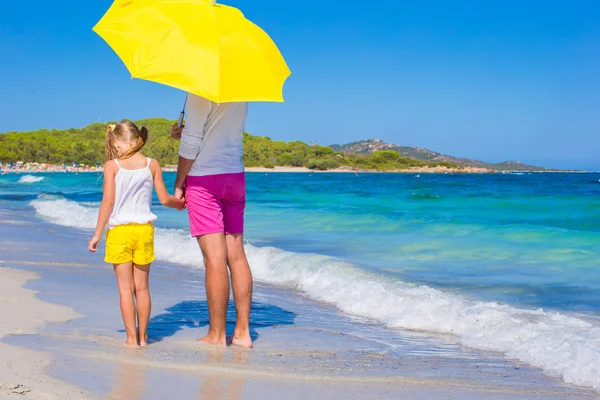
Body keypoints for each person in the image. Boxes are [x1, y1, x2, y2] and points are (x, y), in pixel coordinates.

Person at [88, 120, 185, 347]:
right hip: (144, 232)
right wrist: (179, 203)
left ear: (120, 141)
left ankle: (131, 339)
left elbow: (108, 202)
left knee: (125, 289)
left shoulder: (112, 166)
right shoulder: (152, 164)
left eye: (116, 145)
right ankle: (143, 339)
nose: (116, 149)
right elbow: (164, 200)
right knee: (142, 288)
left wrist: (97, 233)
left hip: (120, 232)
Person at [171, 93, 254, 348]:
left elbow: (193, 142)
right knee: (236, 255)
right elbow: (220, 128)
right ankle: (242, 333)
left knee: (214, 258)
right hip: (234, 175)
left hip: (205, 177)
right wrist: (183, 132)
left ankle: (216, 335)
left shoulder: (201, 89)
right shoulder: (242, 87)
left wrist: (178, 183)